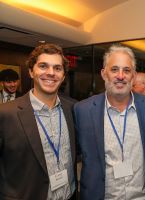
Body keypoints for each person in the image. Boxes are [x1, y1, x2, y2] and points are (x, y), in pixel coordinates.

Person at [73, 44, 145, 200]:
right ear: (103, 73)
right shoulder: (83, 110)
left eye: (126, 70)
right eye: (114, 69)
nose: (120, 76)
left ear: (133, 76)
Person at [0, 43, 77, 200]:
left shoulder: (73, 109)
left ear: (63, 76)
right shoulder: (5, 114)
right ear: (30, 72)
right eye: (43, 66)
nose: (51, 73)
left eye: (57, 68)